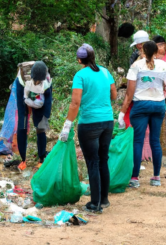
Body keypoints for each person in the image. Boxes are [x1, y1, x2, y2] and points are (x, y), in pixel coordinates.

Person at [60, 43, 117, 213]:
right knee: (103, 160)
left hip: (89, 124)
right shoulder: (106, 72)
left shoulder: (80, 75)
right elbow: (113, 95)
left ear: (79, 59)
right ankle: (104, 200)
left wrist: (67, 124)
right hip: (107, 121)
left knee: (93, 162)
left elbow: (75, 102)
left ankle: (95, 203)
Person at [118, 41, 166, 188]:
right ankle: (156, 177)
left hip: (141, 105)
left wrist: (122, 112)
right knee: (155, 141)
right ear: (156, 52)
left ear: (143, 51)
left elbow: (129, 93)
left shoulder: (136, 66)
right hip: (158, 105)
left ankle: (135, 178)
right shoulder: (163, 65)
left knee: (138, 141)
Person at [17, 61, 52, 171]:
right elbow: (22, 99)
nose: (37, 82)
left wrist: (44, 119)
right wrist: (26, 101)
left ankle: (42, 158)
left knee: (41, 125)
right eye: (35, 81)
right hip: (24, 91)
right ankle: (23, 159)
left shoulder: (47, 82)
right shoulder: (22, 79)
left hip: (40, 97)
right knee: (22, 124)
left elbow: (47, 104)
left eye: (39, 81)